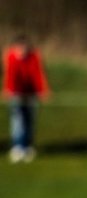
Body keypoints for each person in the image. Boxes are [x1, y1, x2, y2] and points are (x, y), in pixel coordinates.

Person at [3, 34, 50, 163]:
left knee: (30, 120)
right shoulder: (11, 56)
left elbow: (38, 74)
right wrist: (9, 91)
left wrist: (43, 91)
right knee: (18, 121)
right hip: (16, 93)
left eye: (24, 47)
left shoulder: (34, 56)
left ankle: (28, 146)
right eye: (19, 47)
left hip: (31, 93)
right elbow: (11, 75)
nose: (22, 50)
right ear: (15, 47)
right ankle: (17, 147)